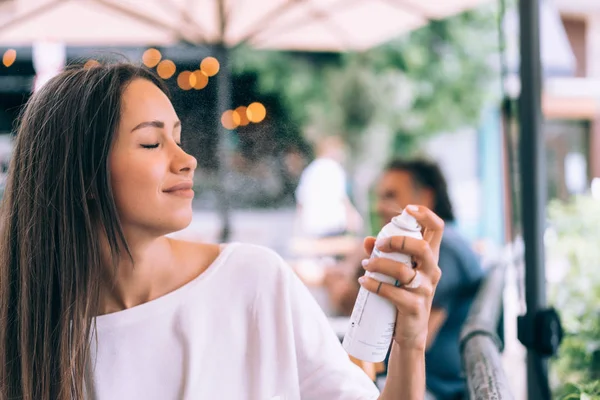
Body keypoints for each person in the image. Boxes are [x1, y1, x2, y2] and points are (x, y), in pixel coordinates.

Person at [0, 63, 444, 400]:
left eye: (178, 137)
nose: (186, 159)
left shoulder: (253, 281)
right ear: (81, 177)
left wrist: (409, 342)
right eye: (153, 143)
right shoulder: (30, 331)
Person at [325, 158, 484, 400]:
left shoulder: (440, 253)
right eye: (379, 197)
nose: (379, 206)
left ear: (426, 200)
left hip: (435, 389)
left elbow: (417, 335)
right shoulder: (437, 246)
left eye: (390, 195)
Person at [294, 135, 362, 238]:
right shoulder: (334, 168)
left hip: (311, 228)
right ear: (332, 150)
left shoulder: (309, 170)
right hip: (333, 227)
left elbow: (301, 202)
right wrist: (354, 219)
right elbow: (342, 199)